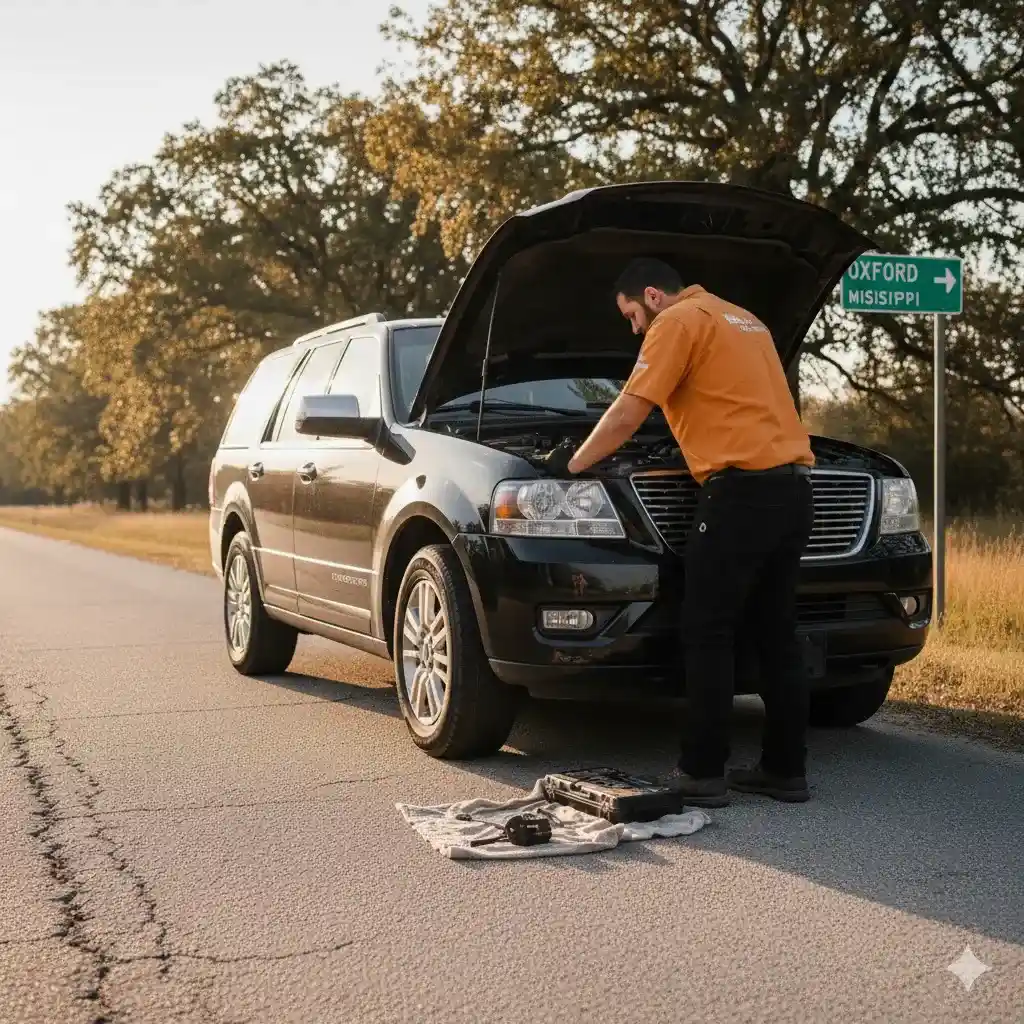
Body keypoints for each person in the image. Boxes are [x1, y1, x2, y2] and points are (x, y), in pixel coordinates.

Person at [563, 257, 815, 807]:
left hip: (740, 494)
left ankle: (701, 772)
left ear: (653, 296)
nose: (634, 329)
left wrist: (575, 465)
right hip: (795, 492)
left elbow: (630, 410)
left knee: (708, 631)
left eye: (632, 315)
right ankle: (785, 770)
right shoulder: (743, 319)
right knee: (777, 634)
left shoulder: (677, 322)